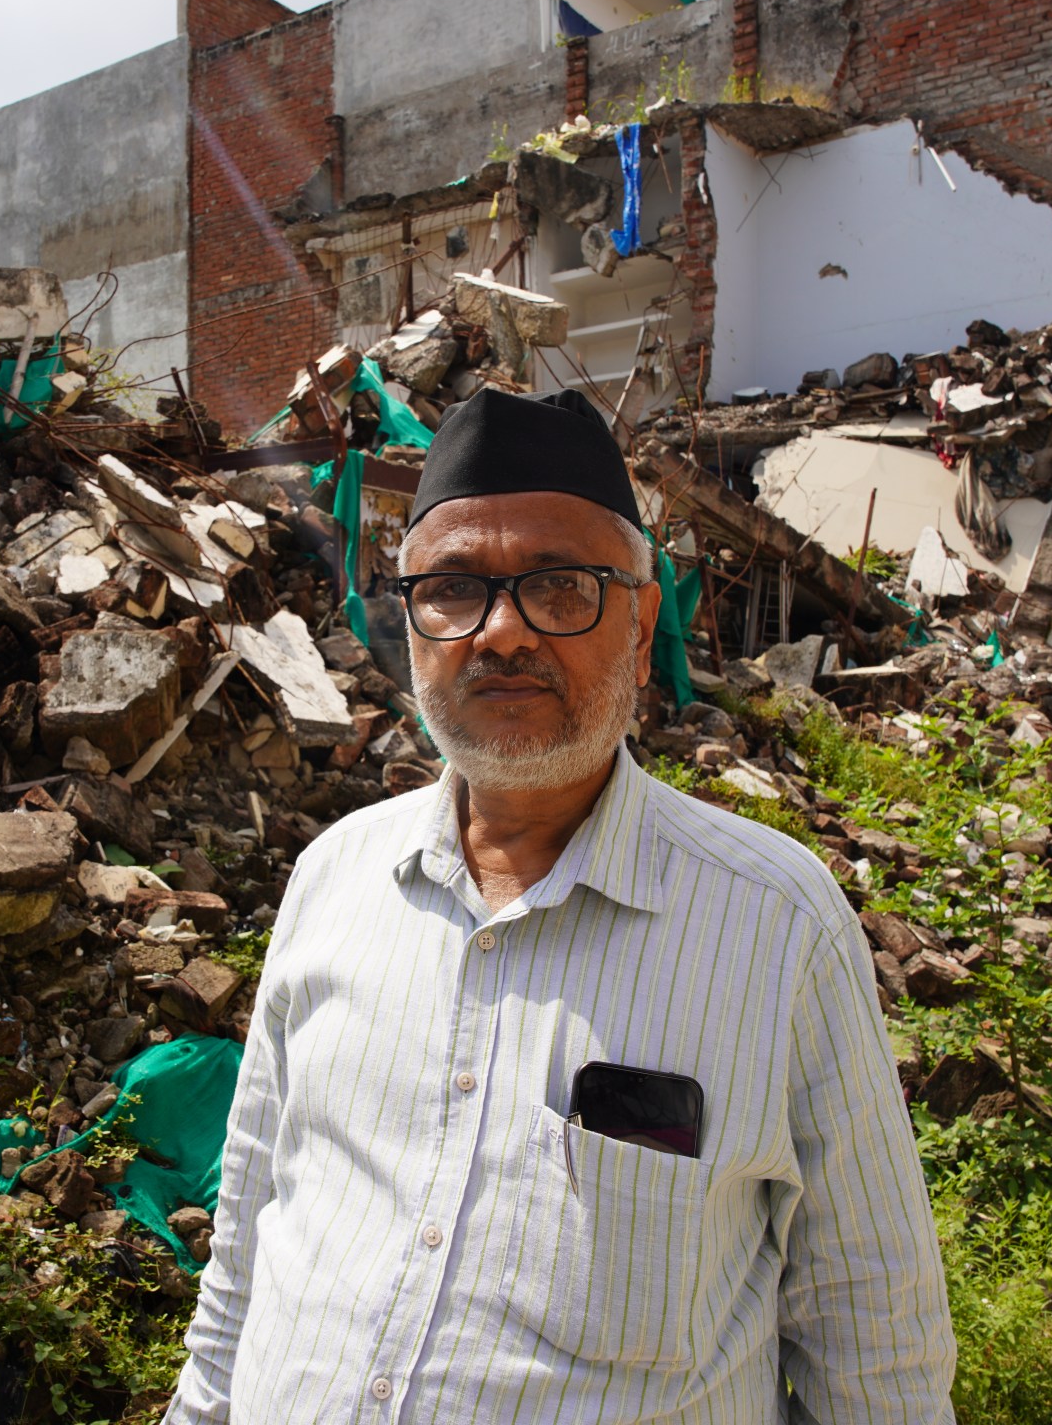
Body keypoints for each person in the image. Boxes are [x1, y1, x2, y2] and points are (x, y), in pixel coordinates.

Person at [164, 388, 955, 1424]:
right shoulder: (332, 882)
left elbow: (874, 1339)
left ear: (641, 626)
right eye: (453, 589)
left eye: (561, 586)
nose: (501, 633)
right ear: (411, 625)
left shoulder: (775, 926)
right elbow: (249, 1240)